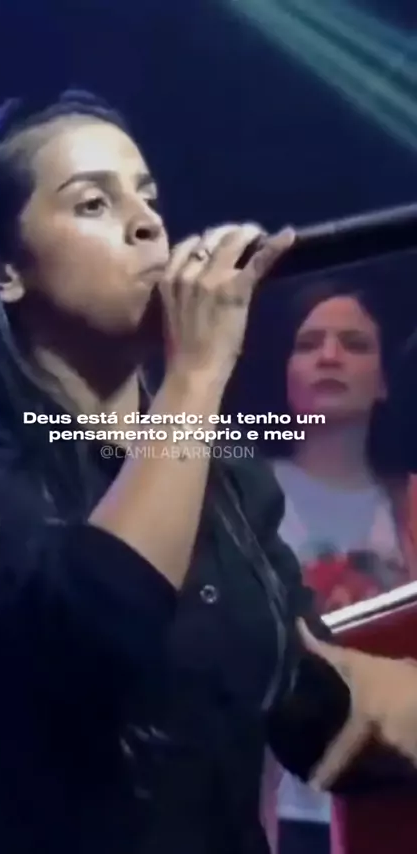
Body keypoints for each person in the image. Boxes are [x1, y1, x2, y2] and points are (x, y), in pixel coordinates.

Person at [0, 90, 417, 854]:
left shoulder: (229, 483)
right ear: (3, 272)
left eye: (149, 197)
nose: (148, 224)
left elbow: (307, 709)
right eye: (94, 203)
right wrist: (197, 372)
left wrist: (372, 696)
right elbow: (97, 626)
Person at [250, 277, 417, 854]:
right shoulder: (236, 496)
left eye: (354, 343)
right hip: (281, 810)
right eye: (309, 343)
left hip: (392, 804)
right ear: (285, 374)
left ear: (384, 380)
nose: (330, 356)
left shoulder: (412, 501)